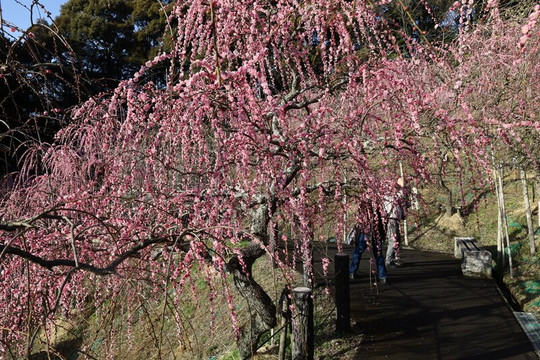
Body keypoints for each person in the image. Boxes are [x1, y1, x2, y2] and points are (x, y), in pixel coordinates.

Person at [349, 205, 388, 284]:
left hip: (366, 232)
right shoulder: (378, 206)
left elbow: (359, 219)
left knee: (358, 252)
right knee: (378, 254)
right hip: (375, 233)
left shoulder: (364, 206)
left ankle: (352, 271)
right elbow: (382, 221)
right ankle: (383, 276)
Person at [384, 177, 410, 267]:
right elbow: (400, 197)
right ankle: (388, 260)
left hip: (396, 220)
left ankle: (394, 258)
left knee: (397, 240)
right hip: (392, 219)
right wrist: (402, 187)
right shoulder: (388, 195)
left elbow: (407, 203)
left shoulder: (398, 194)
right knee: (393, 240)